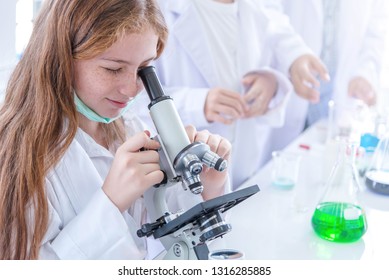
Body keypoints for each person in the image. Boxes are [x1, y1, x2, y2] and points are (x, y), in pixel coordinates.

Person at [0, 0, 231, 260]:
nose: (132, 88)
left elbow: (167, 220)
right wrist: (110, 202)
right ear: (60, 58)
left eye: (144, 69)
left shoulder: (129, 127)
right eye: (114, 69)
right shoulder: (16, 155)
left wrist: (206, 189)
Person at [133, 0, 303, 189]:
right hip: (182, 182)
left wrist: (271, 82)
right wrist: (198, 103)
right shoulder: (156, 9)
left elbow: (273, 61)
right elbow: (128, 99)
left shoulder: (256, 8)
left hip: (245, 170)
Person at [264, 0, 388, 152]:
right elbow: (266, 7)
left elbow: (376, 29)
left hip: (339, 100)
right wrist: (292, 52)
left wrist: (365, 72)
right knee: (281, 163)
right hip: (285, 88)